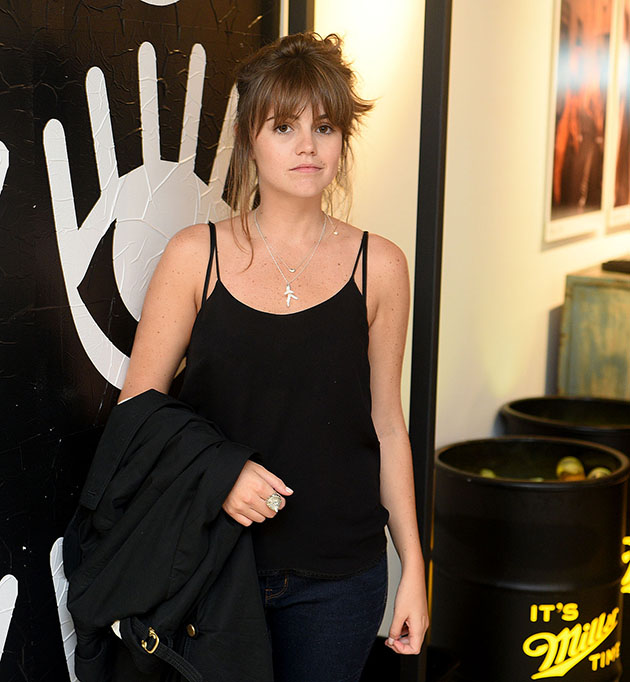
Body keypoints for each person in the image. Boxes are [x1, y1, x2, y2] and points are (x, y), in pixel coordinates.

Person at [118, 31, 429, 682]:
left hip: (341, 580)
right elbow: (138, 408)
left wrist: (414, 569)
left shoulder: (381, 266)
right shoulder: (194, 256)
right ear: (249, 139)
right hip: (212, 566)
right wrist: (220, 473)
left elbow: (387, 424)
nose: (308, 146)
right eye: (284, 127)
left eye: (325, 127)